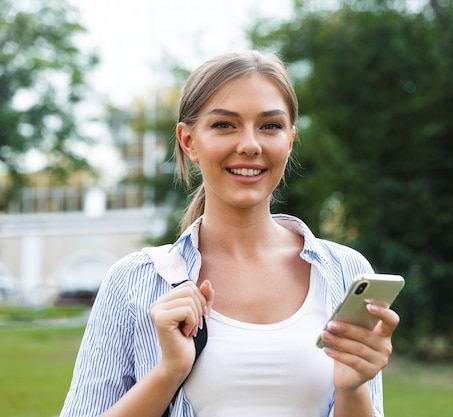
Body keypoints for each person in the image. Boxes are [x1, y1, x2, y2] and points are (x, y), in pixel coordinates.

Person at [60, 50, 400, 417]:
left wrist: (352, 388)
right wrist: (169, 372)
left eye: (270, 126)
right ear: (188, 141)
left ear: (289, 140)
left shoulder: (347, 272)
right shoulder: (135, 282)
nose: (250, 145)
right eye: (225, 125)